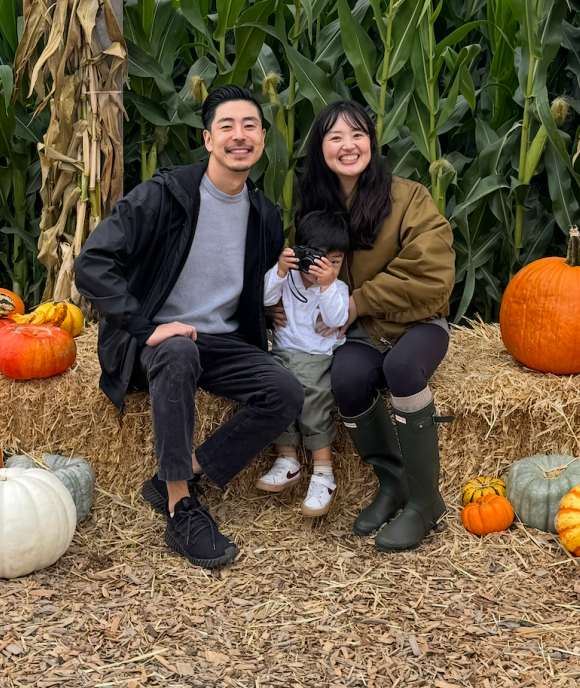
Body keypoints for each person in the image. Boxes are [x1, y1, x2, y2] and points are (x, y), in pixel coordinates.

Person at [73, 85, 304, 570]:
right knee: (178, 350)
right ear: (207, 139)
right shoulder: (167, 194)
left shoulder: (264, 214)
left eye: (249, 127)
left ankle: (172, 474)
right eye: (227, 127)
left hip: (222, 343)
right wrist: (143, 326)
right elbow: (93, 263)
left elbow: (250, 284)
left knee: (284, 391)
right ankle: (181, 506)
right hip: (156, 340)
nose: (239, 136)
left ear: (263, 138)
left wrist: (272, 312)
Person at [282, 99, 456, 553]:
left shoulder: (409, 197)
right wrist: (277, 305)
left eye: (357, 134)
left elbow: (432, 274)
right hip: (354, 336)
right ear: (320, 148)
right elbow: (295, 273)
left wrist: (358, 302)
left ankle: (424, 502)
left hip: (416, 325)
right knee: (347, 377)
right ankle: (392, 482)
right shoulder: (313, 209)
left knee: (401, 369)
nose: (348, 145)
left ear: (372, 143)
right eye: (335, 136)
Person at [256, 210, 351, 518]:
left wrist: (326, 286)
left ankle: (324, 474)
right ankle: (288, 461)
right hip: (283, 352)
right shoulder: (288, 280)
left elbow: (337, 320)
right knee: (275, 394)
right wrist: (281, 270)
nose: (326, 269)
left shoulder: (337, 289)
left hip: (317, 357)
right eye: (319, 260)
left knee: (312, 401)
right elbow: (265, 298)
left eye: (335, 263)